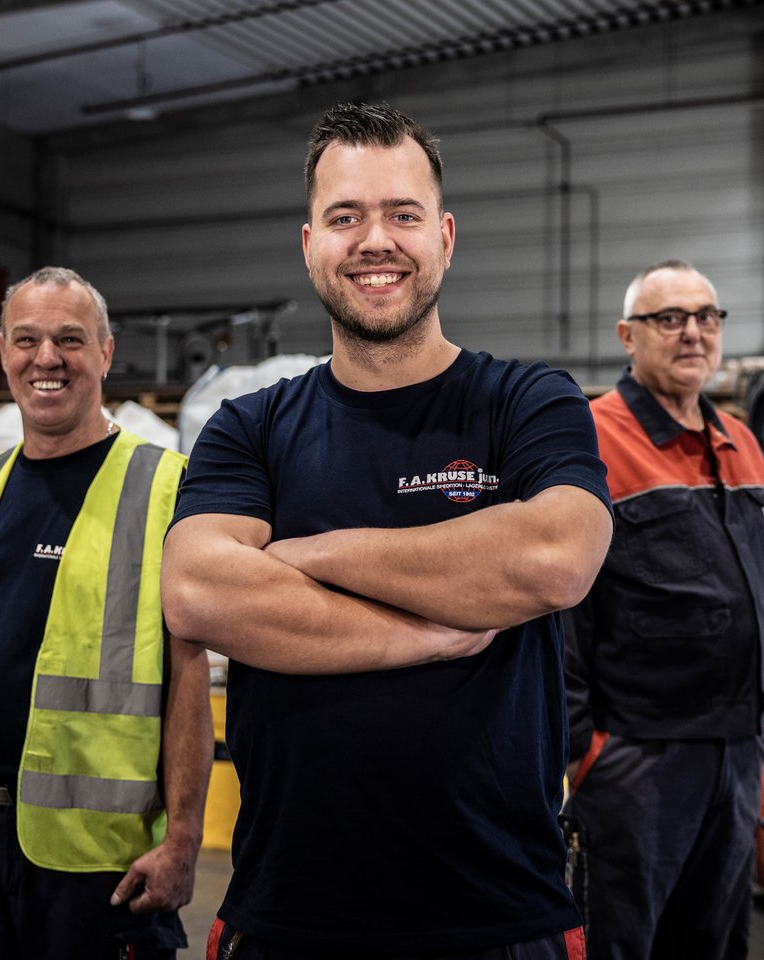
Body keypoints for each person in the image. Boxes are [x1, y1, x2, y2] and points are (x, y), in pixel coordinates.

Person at [162, 101, 613, 960]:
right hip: (291, 912)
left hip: (502, 914)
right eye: (346, 217)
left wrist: (309, 555)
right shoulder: (248, 427)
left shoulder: (527, 402)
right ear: (309, 245)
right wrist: (437, 632)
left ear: (444, 236)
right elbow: (197, 590)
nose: (376, 241)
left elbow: (555, 558)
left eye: (402, 214)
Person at [0, 266, 213, 959]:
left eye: (69, 339)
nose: (46, 359)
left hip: (98, 858)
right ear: (3, 350)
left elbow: (190, 675)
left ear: (105, 351)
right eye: (26, 339)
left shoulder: (167, 486)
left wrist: (185, 840)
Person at [562, 260, 764, 960]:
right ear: (629, 336)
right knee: (618, 943)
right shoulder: (591, 438)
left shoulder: (740, 440)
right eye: (670, 319)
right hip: (638, 760)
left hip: (737, 753)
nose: (693, 333)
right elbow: (556, 608)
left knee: (714, 942)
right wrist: (583, 751)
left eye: (707, 316)